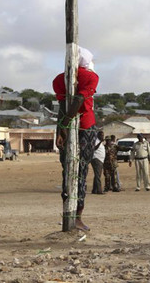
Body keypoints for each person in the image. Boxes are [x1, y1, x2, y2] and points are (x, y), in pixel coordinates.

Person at [52, 46, 99, 231]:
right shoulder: (90, 76)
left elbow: (62, 105)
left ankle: (68, 213)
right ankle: (77, 216)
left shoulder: (58, 79)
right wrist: (66, 125)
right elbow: (79, 99)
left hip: (66, 127)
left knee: (67, 170)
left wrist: (61, 129)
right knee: (80, 171)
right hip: (85, 128)